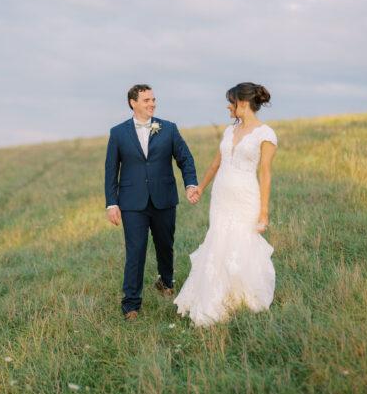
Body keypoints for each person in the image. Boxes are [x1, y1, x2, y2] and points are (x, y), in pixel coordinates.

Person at [174, 82, 278, 327]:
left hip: (245, 197)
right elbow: (215, 164)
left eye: (230, 101)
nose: (227, 106)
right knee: (218, 239)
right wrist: (200, 187)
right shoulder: (229, 131)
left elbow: (265, 173)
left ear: (242, 103)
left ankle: (241, 296)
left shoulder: (266, 135)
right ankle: (213, 294)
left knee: (240, 241)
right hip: (221, 197)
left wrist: (264, 212)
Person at [105, 84, 199, 321]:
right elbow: (110, 170)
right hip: (131, 203)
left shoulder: (168, 129)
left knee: (165, 245)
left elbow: (185, 159)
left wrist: (190, 184)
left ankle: (166, 282)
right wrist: (111, 203)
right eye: (146, 100)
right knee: (135, 252)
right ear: (132, 103)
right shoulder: (117, 133)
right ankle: (131, 305)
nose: (152, 104)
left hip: (164, 198)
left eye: (153, 99)